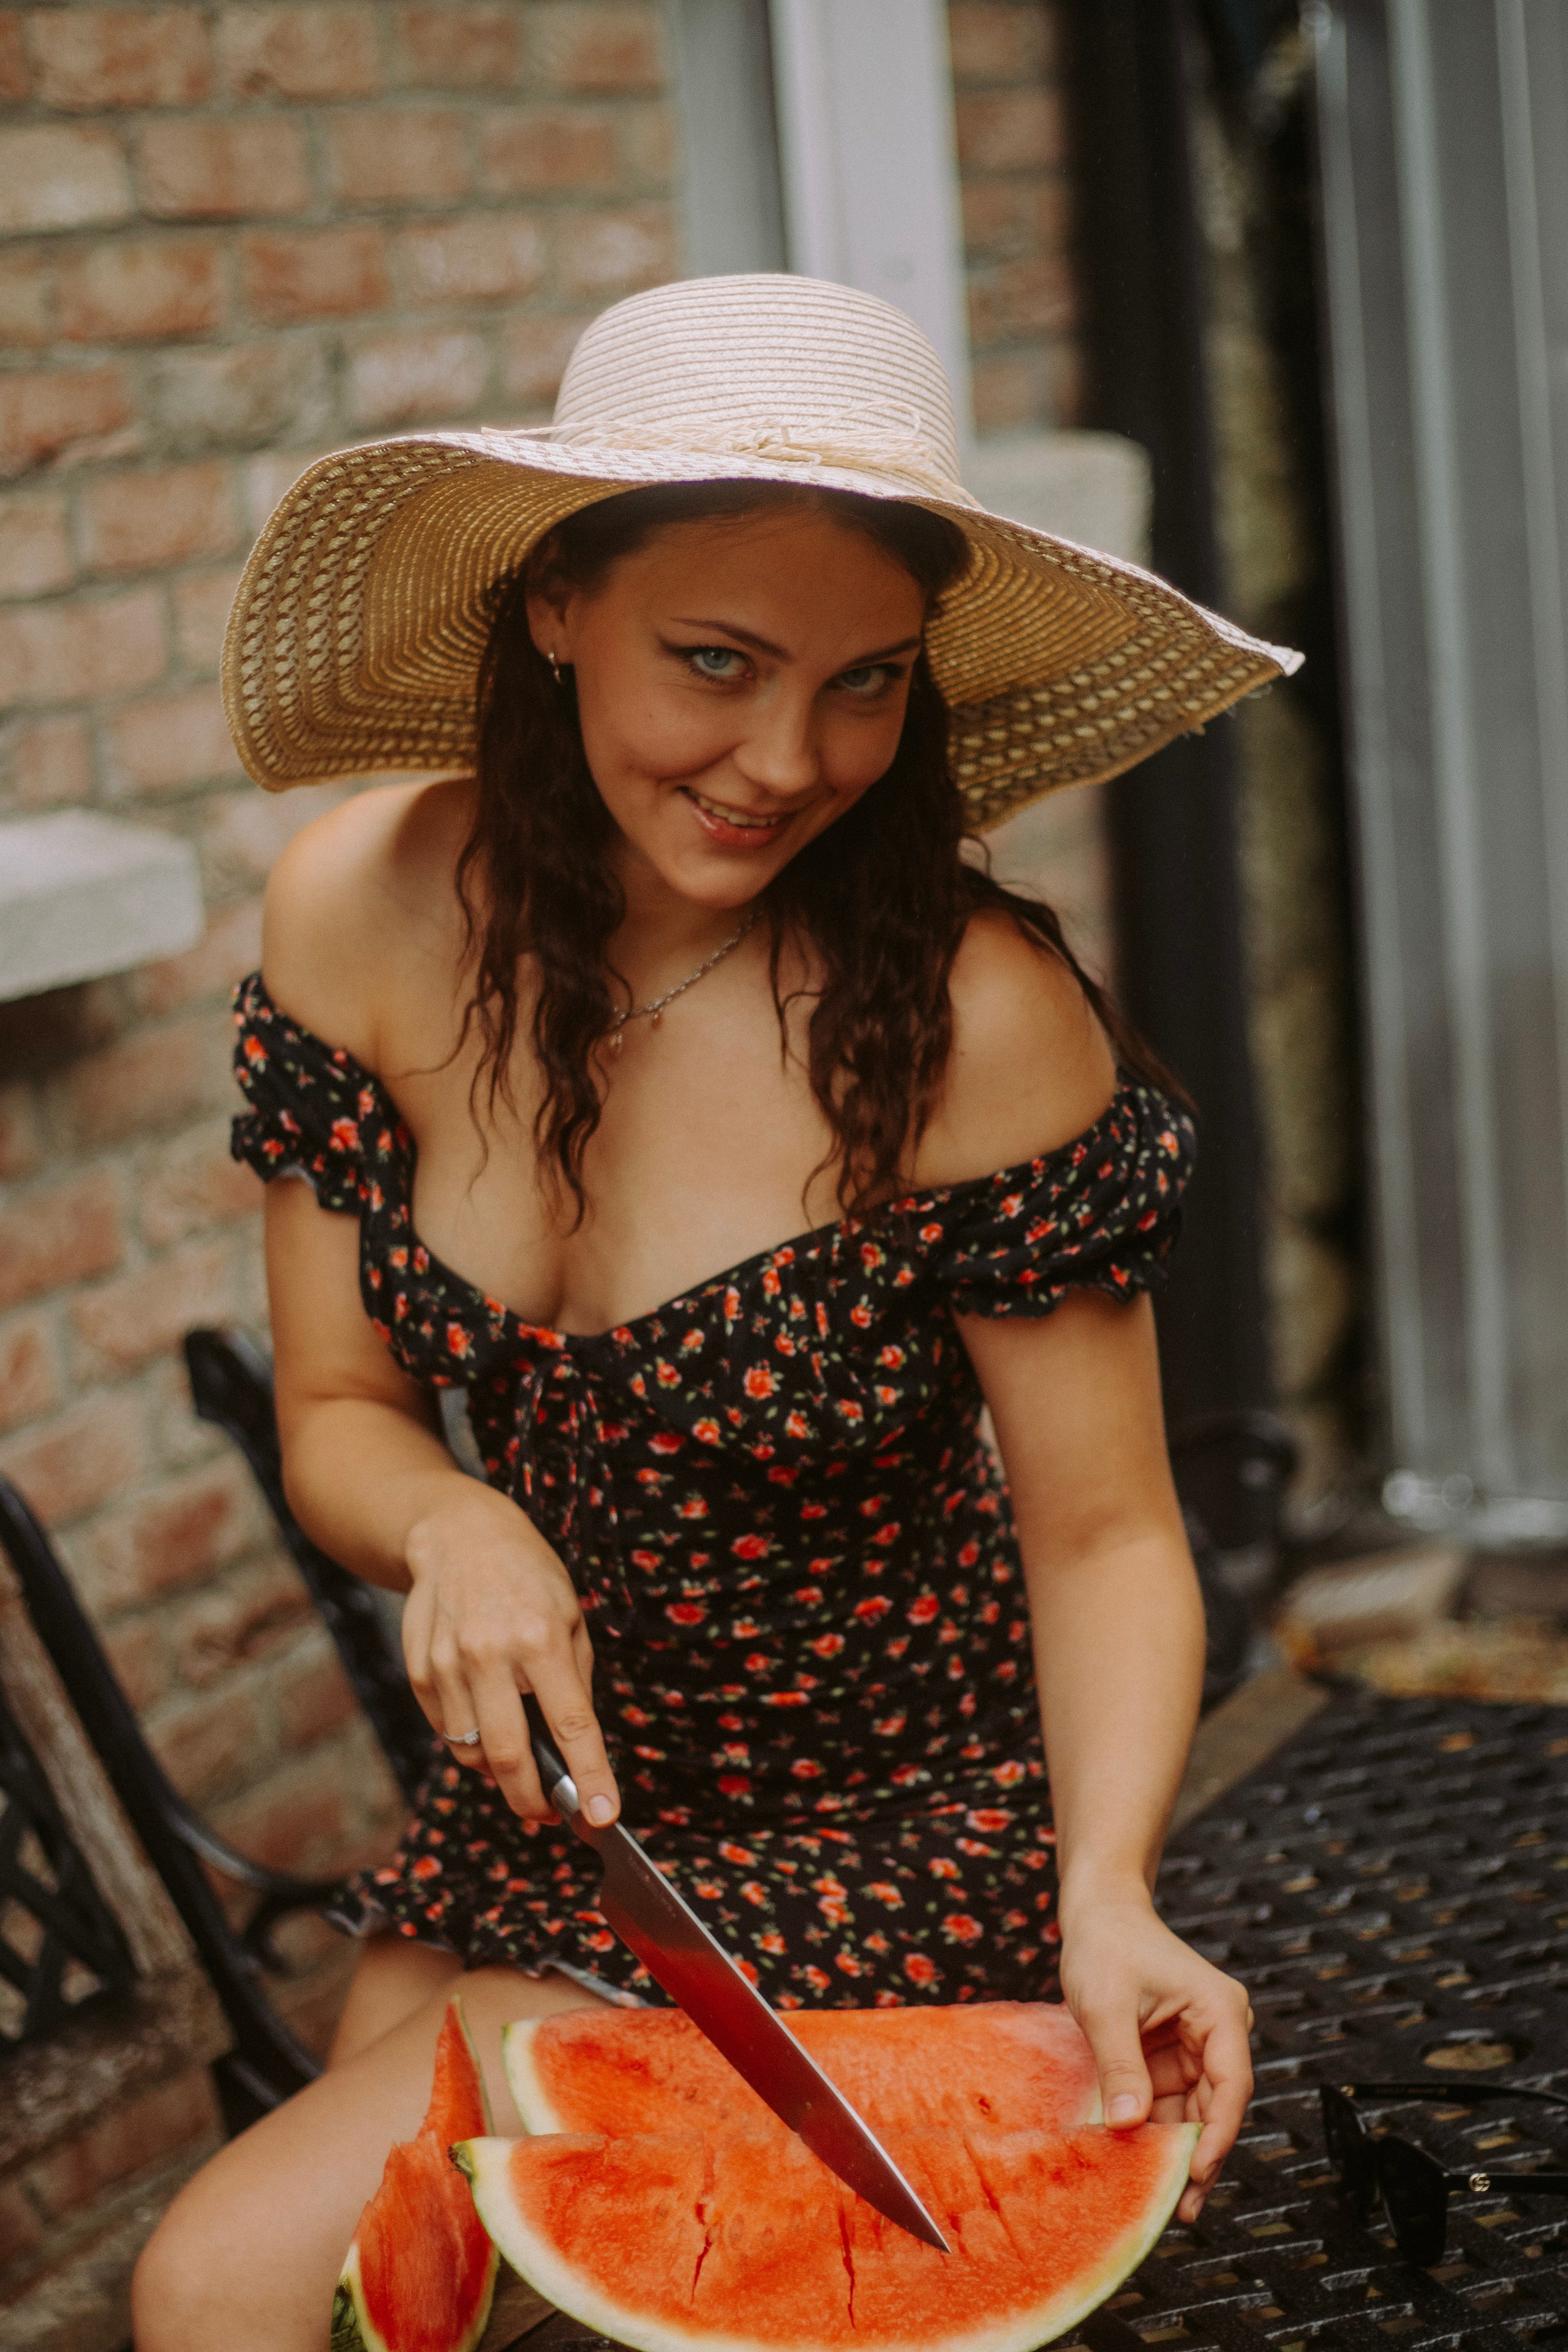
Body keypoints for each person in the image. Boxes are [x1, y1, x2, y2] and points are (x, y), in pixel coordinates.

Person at [134, 273, 1297, 2348]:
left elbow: (1107, 1533)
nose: (788, 759)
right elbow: (334, 1406)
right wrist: (452, 1520)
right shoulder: (359, 915)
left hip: (901, 1839)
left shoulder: (970, 1015)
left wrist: (1109, 1890)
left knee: (213, 2288)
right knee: (361, 2285)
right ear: (553, 607)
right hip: (562, 1824)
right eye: (715, 663)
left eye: (866, 684)